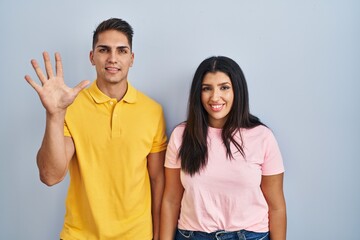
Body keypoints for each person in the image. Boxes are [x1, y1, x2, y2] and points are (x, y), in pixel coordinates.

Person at [24, 18, 167, 240]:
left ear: (132, 58)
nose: (112, 58)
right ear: (92, 57)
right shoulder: (71, 106)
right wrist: (54, 115)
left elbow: (158, 181)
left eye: (121, 51)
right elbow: (50, 176)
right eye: (103, 50)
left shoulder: (152, 111)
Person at [160, 56, 287, 240]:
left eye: (224, 87)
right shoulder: (181, 136)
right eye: (207, 88)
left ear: (237, 90)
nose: (215, 97)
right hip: (192, 235)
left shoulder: (262, 137)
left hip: (249, 236)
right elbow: (171, 200)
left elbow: (277, 207)